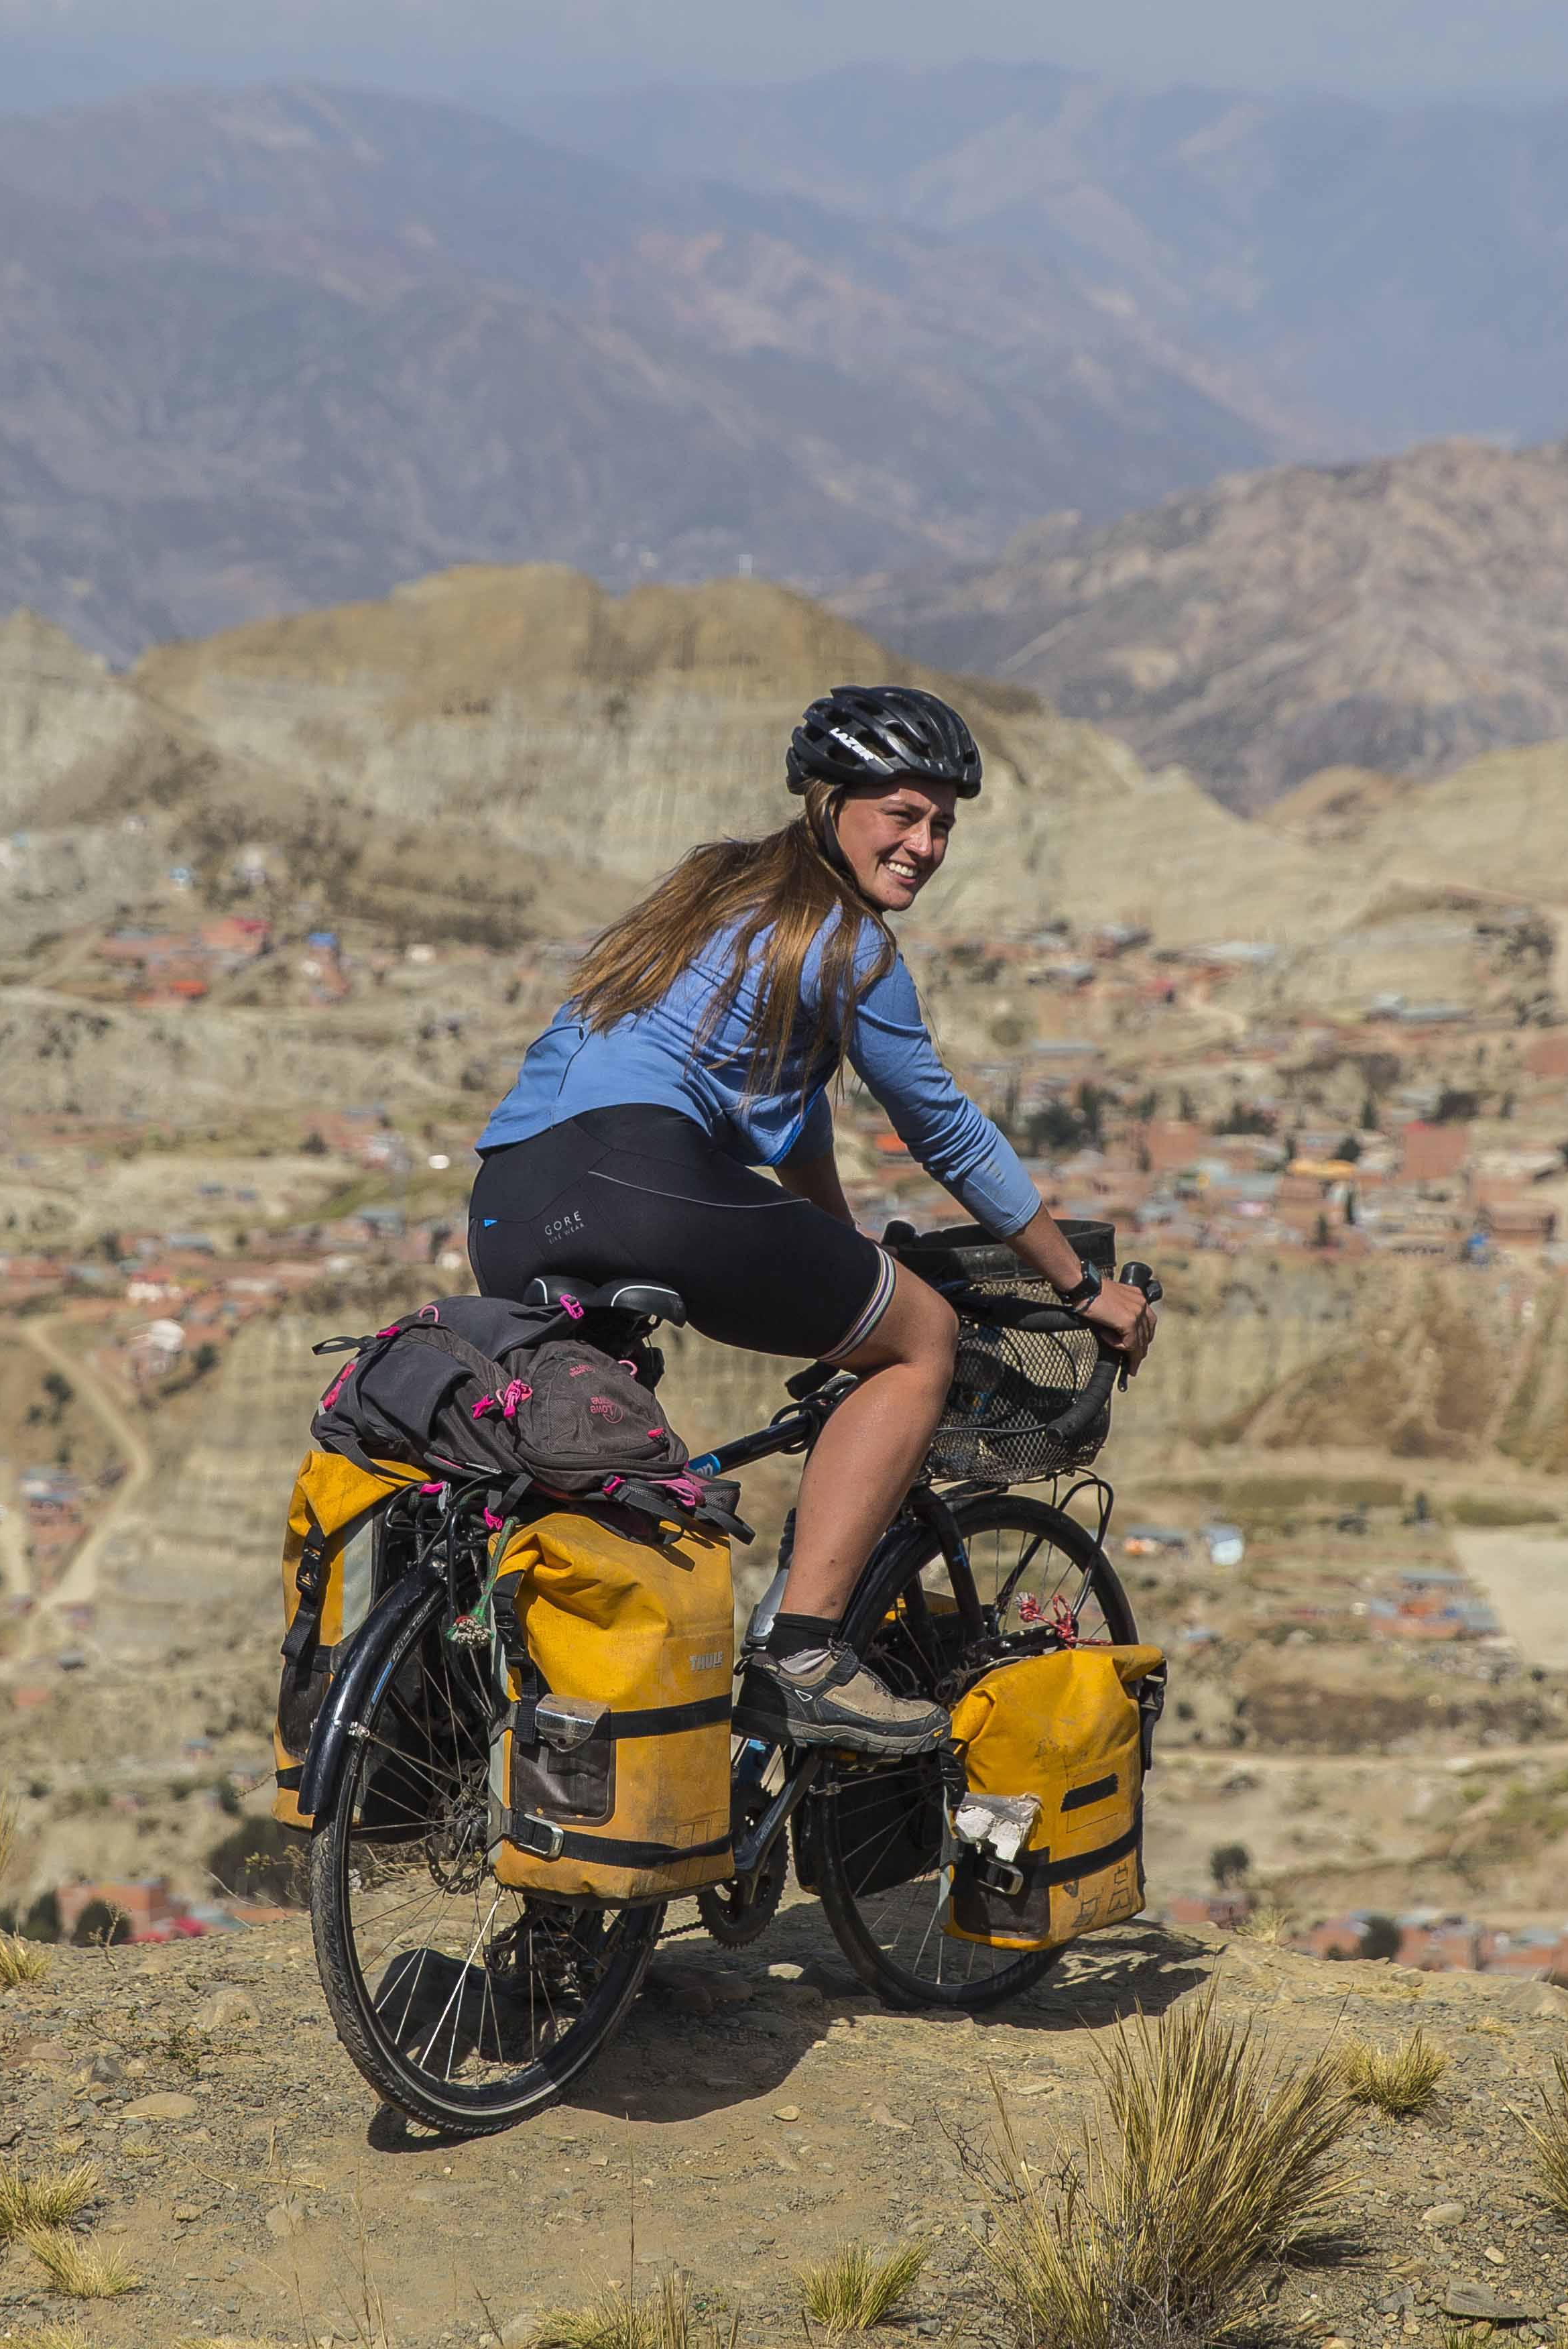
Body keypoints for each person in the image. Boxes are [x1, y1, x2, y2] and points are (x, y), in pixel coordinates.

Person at [467, 684, 1154, 1754]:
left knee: (600, 1464)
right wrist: (1082, 1286)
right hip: (648, 1180)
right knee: (920, 1340)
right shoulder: (845, 942)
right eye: (903, 815)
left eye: (943, 826)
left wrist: (843, 1254)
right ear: (830, 803)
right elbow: (946, 1133)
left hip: (511, 1201)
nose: (925, 846)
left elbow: (792, 1131)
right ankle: (804, 1656)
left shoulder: (715, 894)